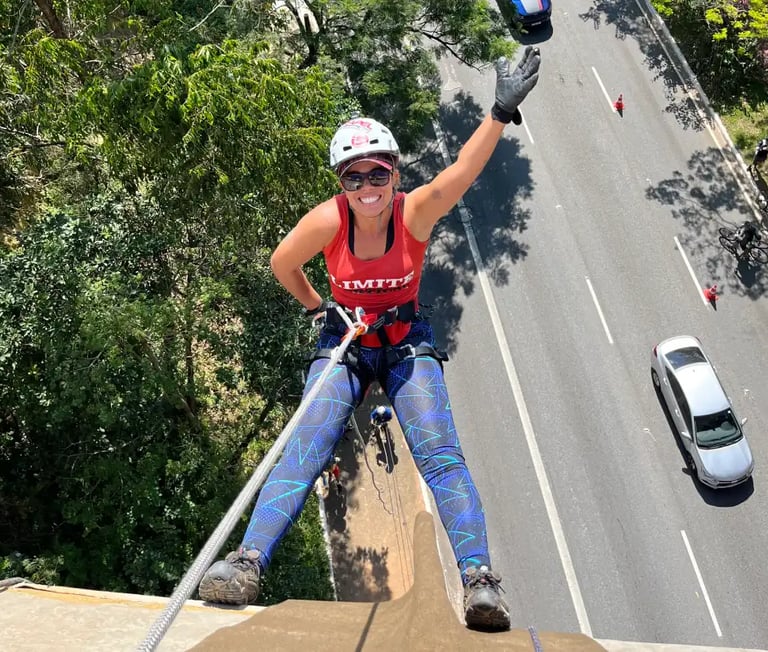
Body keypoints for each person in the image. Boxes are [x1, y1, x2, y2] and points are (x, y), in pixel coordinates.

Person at [198, 46, 541, 632]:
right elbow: (284, 262)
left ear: (394, 174)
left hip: (405, 343)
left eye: (377, 173)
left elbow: (462, 170)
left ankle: (481, 583)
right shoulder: (330, 220)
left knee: (441, 457)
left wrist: (500, 113)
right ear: (342, 184)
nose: (366, 187)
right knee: (306, 443)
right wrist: (316, 308)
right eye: (353, 177)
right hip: (348, 344)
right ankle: (249, 563)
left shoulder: (415, 214)